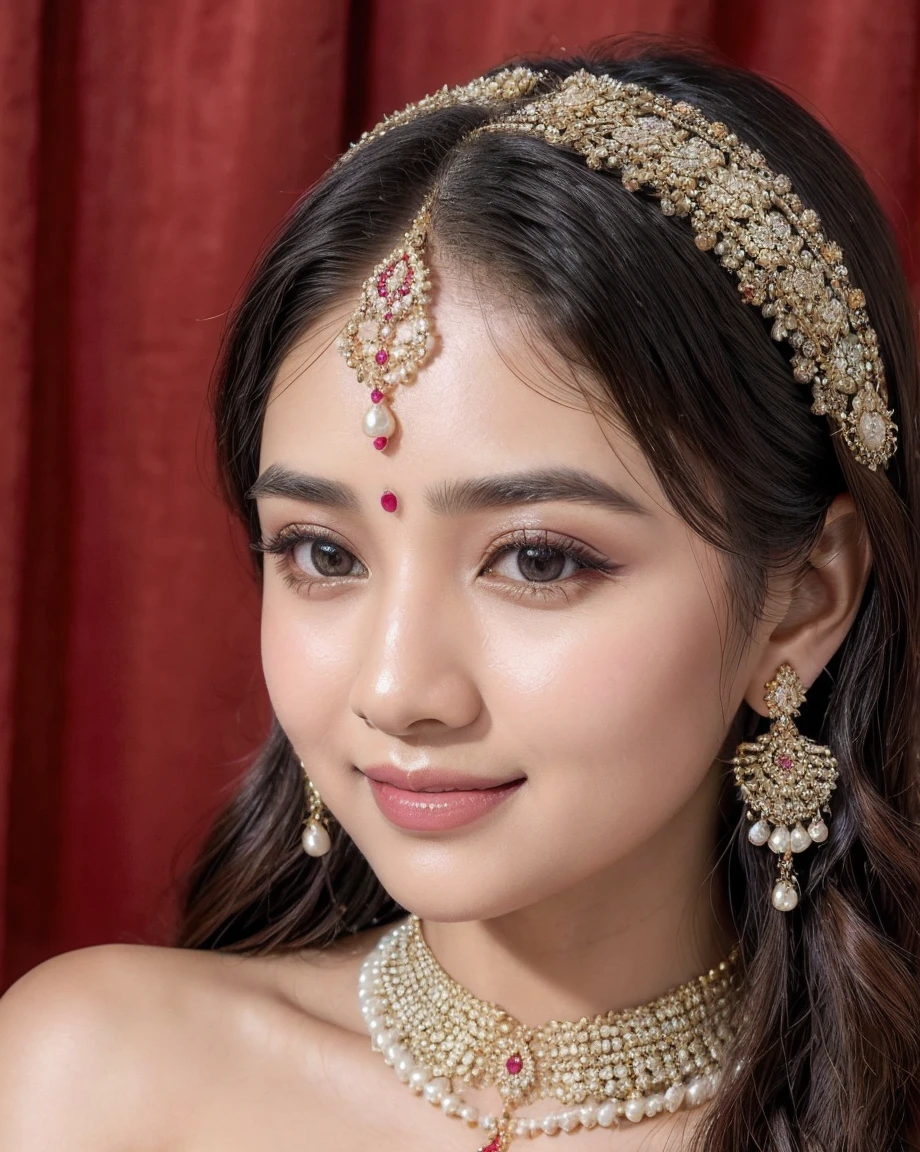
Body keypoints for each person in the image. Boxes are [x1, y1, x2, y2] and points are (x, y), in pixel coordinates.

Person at [1, 40, 918, 1152]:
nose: (397, 691)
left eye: (535, 559)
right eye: (322, 555)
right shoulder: (92, 1079)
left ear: (802, 600)